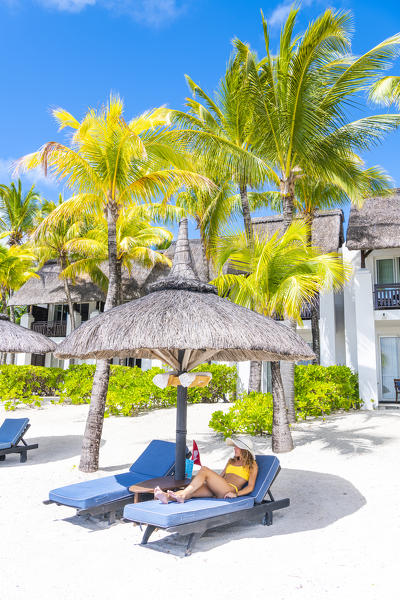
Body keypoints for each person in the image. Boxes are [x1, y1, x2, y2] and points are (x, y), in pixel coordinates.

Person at [154, 436, 258, 504]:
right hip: (219, 488)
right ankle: (166, 496)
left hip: (229, 490)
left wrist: (236, 494)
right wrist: (202, 482)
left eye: (237, 447)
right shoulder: (231, 461)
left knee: (204, 470)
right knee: (193, 491)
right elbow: (221, 476)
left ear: (244, 450)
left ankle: (183, 495)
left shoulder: (252, 465)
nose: (234, 449)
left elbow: (250, 487)